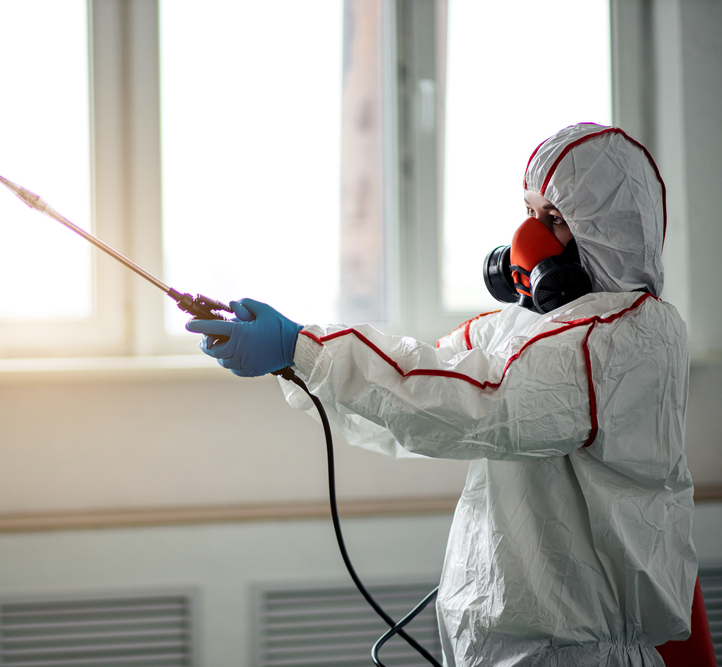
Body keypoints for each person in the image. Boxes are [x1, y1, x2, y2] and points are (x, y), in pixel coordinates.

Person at [187, 123, 700, 666]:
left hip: (578, 655)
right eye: (528, 212)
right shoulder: (525, 326)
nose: (529, 238)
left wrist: (307, 348)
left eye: (554, 220)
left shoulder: (630, 335)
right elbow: (418, 399)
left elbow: (476, 407)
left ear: (610, 232)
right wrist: (297, 363)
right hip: (509, 649)